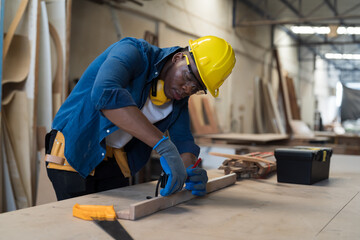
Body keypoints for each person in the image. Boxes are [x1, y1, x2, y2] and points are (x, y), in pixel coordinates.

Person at [44, 35, 236, 200]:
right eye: (188, 77)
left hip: (113, 162)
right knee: (80, 227)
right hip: (74, 149)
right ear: (179, 57)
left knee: (113, 222)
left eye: (196, 88)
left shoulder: (178, 99)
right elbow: (105, 95)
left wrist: (185, 171)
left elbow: (184, 141)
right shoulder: (133, 51)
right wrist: (162, 144)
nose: (188, 89)